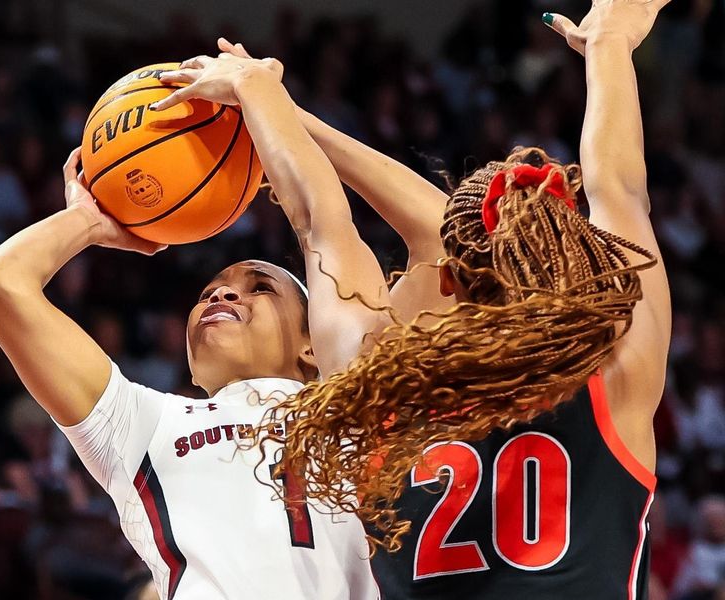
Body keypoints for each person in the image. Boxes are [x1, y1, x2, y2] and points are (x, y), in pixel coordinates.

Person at [0, 32, 453, 600]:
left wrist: (282, 111)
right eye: (209, 292)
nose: (222, 297)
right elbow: (1, 286)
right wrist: (90, 220)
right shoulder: (142, 423)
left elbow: (442, 235)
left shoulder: (357, 395)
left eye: (259, 288)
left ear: (311, 342)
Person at [254, 1, 672, 598]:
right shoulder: (617, 372)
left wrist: (271, 104)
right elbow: (620, 190)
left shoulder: (377, 397)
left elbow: (319, 224)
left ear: (449, 282)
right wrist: (609, 46)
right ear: (572, 256)